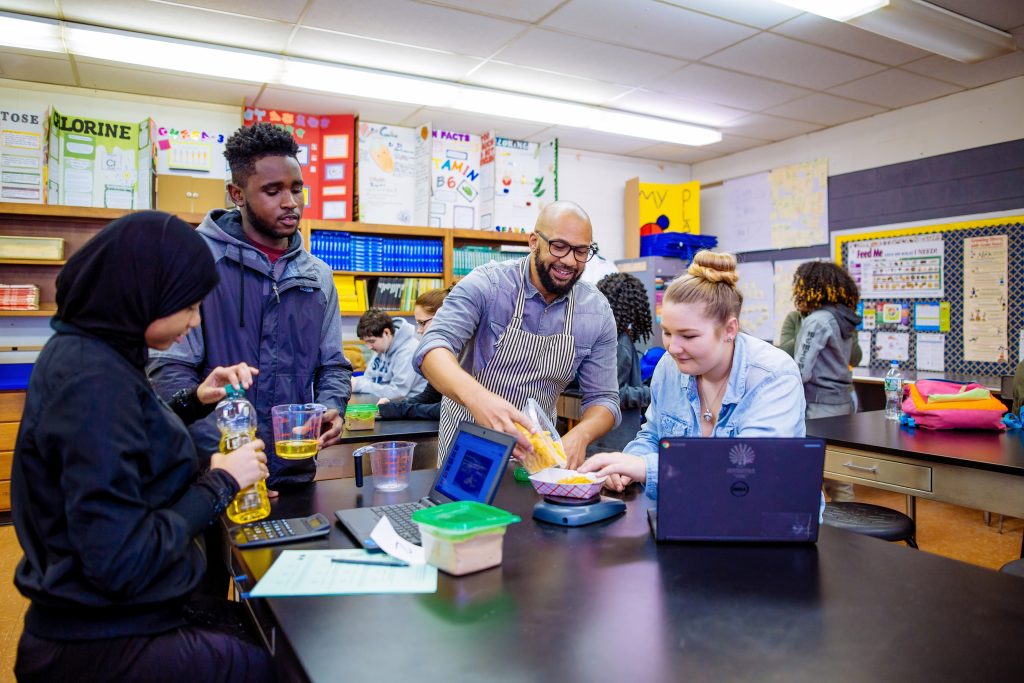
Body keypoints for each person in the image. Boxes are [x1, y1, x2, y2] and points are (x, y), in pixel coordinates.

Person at [12, 212, 272, 682]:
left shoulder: (92, 351)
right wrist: (222, 481)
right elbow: (122, 559)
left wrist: (193, 399)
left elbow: (129, 439)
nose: (195, 323)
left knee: (260, 629)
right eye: (190, 306)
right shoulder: (93, 382)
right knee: (277, 655)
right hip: (107, 637)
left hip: (104, 618)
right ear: (145, 292)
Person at [148, 122, 352, 488]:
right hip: (212, 474)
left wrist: (333, 406)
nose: (290, 202)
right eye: (272, 191)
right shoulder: (198, 262)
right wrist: (232, 463)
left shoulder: (317, 276)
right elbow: (171, 375)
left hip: (294, 471)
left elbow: (333, 366)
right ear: (237, 194)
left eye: (296, 189)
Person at [580, 250, 805, 496]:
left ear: (730, 329)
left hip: (762, 523)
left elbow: (751, 471)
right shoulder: (669, 367)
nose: (673, 348)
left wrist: (648, 468)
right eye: (667, 332)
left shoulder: (773, 375)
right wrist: (626, 464)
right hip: (686, 512)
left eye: (689, 336)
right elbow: (653, 435)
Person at [416, 201, 620, 468]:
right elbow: (432, 348)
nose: (569, 260)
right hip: (467, 446)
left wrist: (581, 434)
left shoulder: (595, 310)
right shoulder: (487, 285)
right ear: (534, 241)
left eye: (581, 251)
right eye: (559, 246)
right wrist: (479, 399)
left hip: (538, 456)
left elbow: (605, 399)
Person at [790, 261, 862, 502]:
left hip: (820, 406)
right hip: (841, 401)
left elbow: (801, 370)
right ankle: (850, 533)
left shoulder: (817, 320)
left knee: (814, 473)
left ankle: (840, 535)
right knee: (838, 474)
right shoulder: (841, 318)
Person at [587, 272, 653, 454]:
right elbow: (615, 394)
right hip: (615, 441)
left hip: (603, 439)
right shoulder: (620, 344)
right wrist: (651, 392)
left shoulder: (603, 337)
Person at [376, 287, 451, 421]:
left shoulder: (464, 354)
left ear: (443, 317)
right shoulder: (441, 351)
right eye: (418, 323)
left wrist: (401, 410)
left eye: (422, 323)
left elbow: (448, 410)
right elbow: (431, 395)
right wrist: (396, 406)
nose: (419, 330)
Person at [353, 308, 427, 400]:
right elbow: (368, 378)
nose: (369, 347)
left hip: (410, 407)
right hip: (385, 402)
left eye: (371, 341)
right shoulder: (382, 346)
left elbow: (398, 392)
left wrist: (359, 385)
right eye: (366, 342)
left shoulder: (409, 350)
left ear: (386, 333)